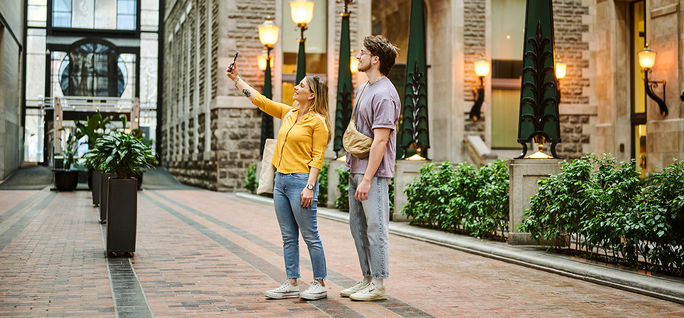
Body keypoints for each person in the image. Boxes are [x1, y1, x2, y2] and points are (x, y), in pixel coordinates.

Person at [226, 61, 332, 301]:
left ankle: (320, 282)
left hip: (301, 183)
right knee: (288, 236)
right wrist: (237, 79)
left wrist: (309, 187)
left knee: (310, 235)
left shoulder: (318, 122)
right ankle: (292, 282)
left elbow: (318, 158)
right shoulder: (289, 113)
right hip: (281, 181)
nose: (295, 87)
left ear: (312, 95)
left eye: (301, 85)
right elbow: (261, 101)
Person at [340, 35, 400, 302]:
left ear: (375, 59)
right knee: (358, 228)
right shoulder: (364, 88)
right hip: (356, 168)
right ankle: (366, 278)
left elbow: (381, 140)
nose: (357, 57)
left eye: (362, 53)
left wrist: (366, 179)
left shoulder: (386, 94)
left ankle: (378, 283)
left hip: (372, 175)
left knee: (376, 228)